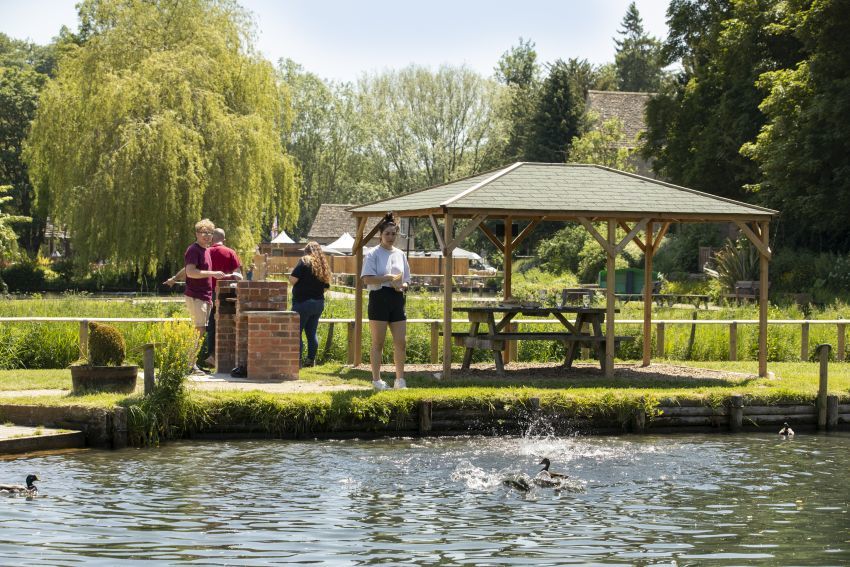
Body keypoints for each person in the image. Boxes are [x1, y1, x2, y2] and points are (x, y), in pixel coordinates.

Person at [165, 228, 242, 369]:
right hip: (208, 294)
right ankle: (191, 363)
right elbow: (191, 271)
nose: (207, 236)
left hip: (207, 295)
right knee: (202, 328)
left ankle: (195, 361)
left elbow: (187, 269)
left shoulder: (207, 251)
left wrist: (175, 278)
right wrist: (215, 274)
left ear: (212, 237)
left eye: (209, 234)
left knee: (205, 328)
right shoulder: (201, 250)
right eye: (204, 233)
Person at [360, 212, 411, 390]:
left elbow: (407, 280)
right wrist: (387, 278)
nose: (390, 237)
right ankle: (376, 380)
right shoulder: (373, 253)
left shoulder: (400, 254)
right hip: (379, 298)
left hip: (397, 298)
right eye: (387, 234)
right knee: (378, 342)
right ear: (381, 235)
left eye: (393, 234)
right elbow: (366, 279)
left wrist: (402, 286)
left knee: (401, 342)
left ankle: (400, 380)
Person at [288, 241, 331, 367]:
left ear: (307, 250)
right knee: (311, 333)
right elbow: (326, 287)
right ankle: (310, 360)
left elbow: (293, 279)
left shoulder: (304, 260)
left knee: (297, 332)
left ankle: (298, 361)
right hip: (318, 303)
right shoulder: (323, 265)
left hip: (302, 303)